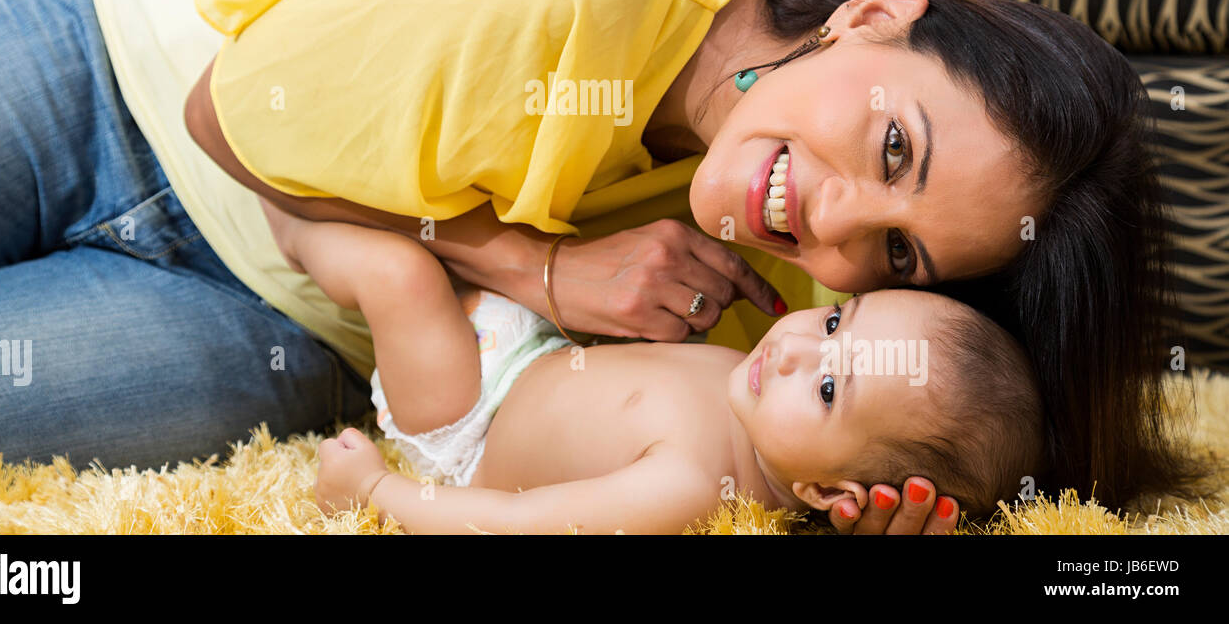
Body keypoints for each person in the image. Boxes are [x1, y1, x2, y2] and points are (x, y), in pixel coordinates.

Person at [0, 0, 1201, 535]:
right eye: (891, 152)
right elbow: (234, 112)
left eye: (903, 254)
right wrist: (538, 267)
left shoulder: (815, 290)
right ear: (868, 18)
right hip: (115, 87)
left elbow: (860, 412)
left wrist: (880, 510)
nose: (829, 230)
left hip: (262, 320)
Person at [292, 203, 1044, 533]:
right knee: (426, 236)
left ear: (823, 492)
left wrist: (376, 492)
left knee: (396, 276)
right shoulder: (752, 392)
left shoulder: (692, 485)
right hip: (532, 349)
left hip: (469, 424)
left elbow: (514, 523)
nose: (792, 347)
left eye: (825, 389)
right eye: (840, 321)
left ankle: (280, 212)